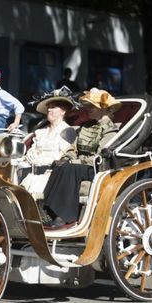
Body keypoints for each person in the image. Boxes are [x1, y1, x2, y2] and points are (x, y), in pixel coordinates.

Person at [42, 88, 121, 227]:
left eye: (92, 106)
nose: (88, 109)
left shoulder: (111, 130)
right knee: (59, 165)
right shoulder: (86, 126)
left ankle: (64, 215)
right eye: (87, 105)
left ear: (102, 107)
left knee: (69, 168)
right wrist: (67, 157)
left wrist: (74, 161)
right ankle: (48, 210)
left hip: (95, 168)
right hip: (79, 165)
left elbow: (100, 157)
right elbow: (73, 147)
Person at [18, 87, 77, 195]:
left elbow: (62, 158)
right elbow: (31, 151)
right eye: (48, 107)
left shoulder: (67, 131)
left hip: (49, 176)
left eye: (53, 107)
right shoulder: (41, 132)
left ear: (63, 111)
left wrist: (39, 161)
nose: (49, 110)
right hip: (29, 172)